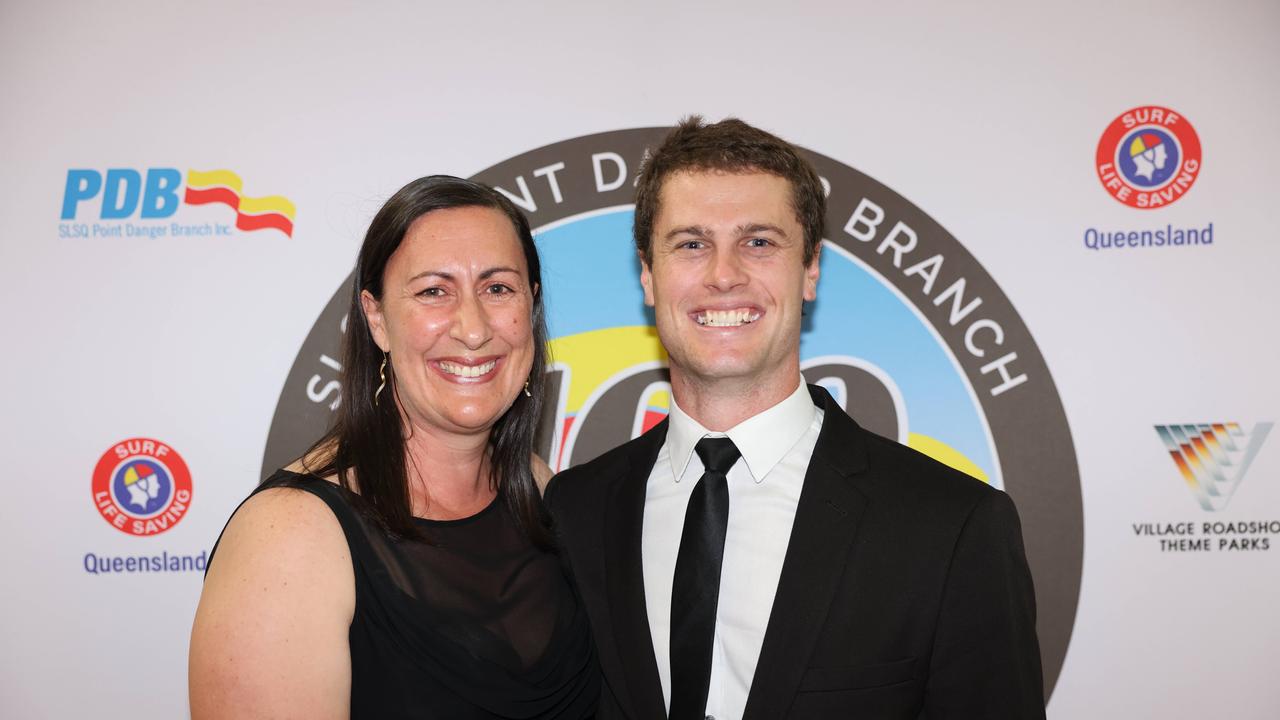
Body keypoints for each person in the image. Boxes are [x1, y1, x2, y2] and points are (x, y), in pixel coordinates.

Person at [545, 118, 1045, 719]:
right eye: (691, 243)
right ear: (648, 274)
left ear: (810, 269)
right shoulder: (576, 511)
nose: (723, 274)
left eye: (758, 242)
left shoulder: (954, 528)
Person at [189, 176, 599, 719]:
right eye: (434, 291)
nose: (473, 329)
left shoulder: (539, 489)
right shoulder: (289, 535)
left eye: (498, 288)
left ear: (532, 304)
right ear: (377, 317)